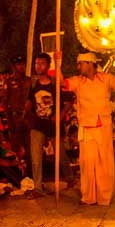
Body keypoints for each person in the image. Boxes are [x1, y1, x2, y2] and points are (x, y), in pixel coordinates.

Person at [65, 53, 115, 205]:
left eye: (81, 64)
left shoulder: (107, 78)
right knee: (87, 162)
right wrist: (57, 64)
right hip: (86, 126)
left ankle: (105, 197)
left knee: (105, 161)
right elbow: (61, 84)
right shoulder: (78, 81)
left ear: (90, 64)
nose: (78, 67)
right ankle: (88, 197)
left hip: (104, 124)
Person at [26, 53, 59, 194]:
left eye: (42, 63)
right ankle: (38, 187)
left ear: (48, 65)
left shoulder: (54, 84)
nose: (38, 66)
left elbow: (65, 102)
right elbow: (29, 102)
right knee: (36, 158)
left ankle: (70, 177)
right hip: (37, 125)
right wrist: (26, 113)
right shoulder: (32, 83)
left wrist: (59, 117)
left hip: (52, 125)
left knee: (60, 155)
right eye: (36, 63)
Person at [2, 56, 30, 165]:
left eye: (23, 64)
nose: (21, 66)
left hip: (28, 119)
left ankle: (30, 177)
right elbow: (5, 104)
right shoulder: (8, 82)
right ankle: (19, 177)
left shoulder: (29, 81)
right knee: (17, 150)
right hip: (15, 119)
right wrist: (9, 123)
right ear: (14, 66)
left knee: (30, 149)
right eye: (18, 64)